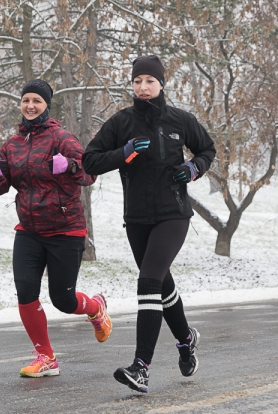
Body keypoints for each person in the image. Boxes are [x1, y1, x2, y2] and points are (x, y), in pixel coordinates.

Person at [82, 55, 216, 392]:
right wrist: (123, 153)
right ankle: (186, 339)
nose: (143, 88)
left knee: (148, 281)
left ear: (161, 85)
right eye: (138, 81)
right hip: (137, 219)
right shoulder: (122, 123)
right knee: (161, 283)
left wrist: (193, 169)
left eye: (149, 82)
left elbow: (207, 149)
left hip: (173, 215)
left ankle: (141, 367)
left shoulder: (179, 120)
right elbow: (90, 161)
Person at [0, 79, 111, 378]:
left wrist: (69, 166)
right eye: (26, 100)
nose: (30, 105)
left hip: (65, 228)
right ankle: (46, 357)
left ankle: (94, 307)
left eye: (36, 101)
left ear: (46, 105)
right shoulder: (12, 144)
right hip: (28, 230)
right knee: (25, 290)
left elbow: (88, 173)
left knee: (63, 300)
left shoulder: (61, 138)